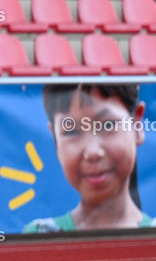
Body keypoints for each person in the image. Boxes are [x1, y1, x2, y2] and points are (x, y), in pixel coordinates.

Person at [24, 83, 151, 232]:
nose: (92, 152)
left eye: (107, 125)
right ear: (56, 139)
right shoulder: (41, 235)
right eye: (71, 131)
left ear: (136, 124)